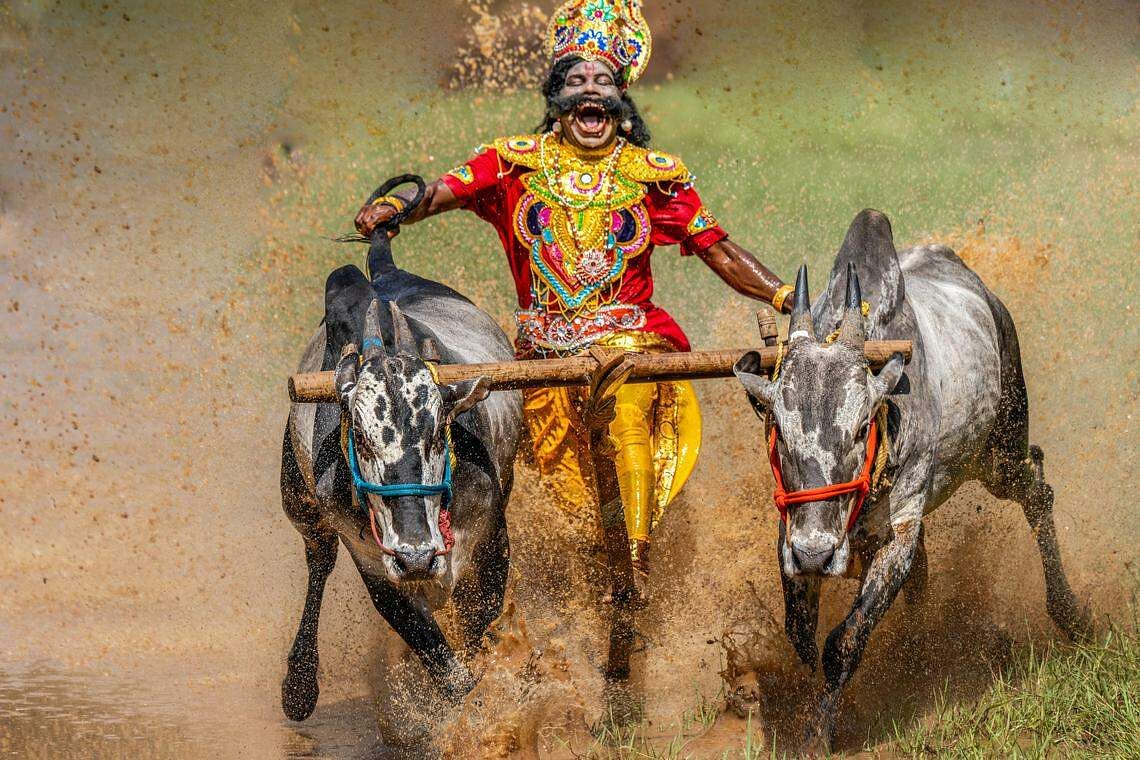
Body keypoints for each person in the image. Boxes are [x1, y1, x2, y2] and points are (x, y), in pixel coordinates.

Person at [355, 0, 794, 597]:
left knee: (628, 420)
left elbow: (718, 250)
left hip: (631, 346)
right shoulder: (512, 164)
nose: (592, 92)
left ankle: (634, 569)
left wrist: (786, 296)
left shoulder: (654, 174)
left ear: (621, 99)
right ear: (557, 100)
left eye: (604, 81)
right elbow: (443, 192)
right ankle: (581, 564)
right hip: (544, 357)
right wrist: (396, 210)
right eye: (577, 81)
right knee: (567, 481)